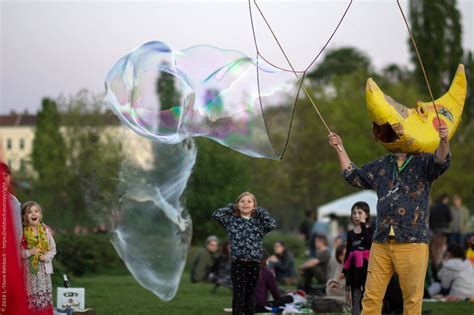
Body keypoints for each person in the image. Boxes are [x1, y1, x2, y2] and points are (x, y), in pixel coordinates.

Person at [327, 124, 451, 315]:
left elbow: (441, 160)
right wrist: (339, 148)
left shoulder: (424, 161)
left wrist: (444, 140)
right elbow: (354, 176)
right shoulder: (382, 164)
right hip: (381, 241)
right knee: (371, 297)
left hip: (413, 241)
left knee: (412, 299)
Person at [212, 192, 276, 315]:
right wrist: (232, 207)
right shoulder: (231, 221)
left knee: (251, 294)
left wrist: (261, 211)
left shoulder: (259, 223)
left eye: (249, 201)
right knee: (238, 294)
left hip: (254, 263)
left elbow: (272, 224)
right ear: (238, 204)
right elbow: (216, 215)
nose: (245, 203)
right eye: (242, 201)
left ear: (254, 205)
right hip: (238, 263)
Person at [20, 201, 57, 315]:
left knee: (43, 299)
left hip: (44, 272)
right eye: (29, 212)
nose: (33, 214)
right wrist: (30, 252)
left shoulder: (46, 232)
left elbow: (53, 249)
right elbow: (19, 253)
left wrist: (45, 257)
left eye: (36, 211)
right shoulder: (22, 233)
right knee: (31, 299)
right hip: (29, 273)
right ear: (24, 217)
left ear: (40, 215)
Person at [341, 202, 373, 315]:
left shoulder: (371, 230)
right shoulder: (350, 233)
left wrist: (363, 226)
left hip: (367, 267)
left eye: (360, 212)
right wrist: (344, 270)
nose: (356, 215)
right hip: (354, 268)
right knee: (356, 294)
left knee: (368, 293)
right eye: (354, 213)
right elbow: (348, 252)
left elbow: (370, 243)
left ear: (367, 215)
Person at [0, 162, 22, 245]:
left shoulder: (14, 200)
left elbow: (23, 218)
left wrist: (40, 225)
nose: (3, 178)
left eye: (6, 175)